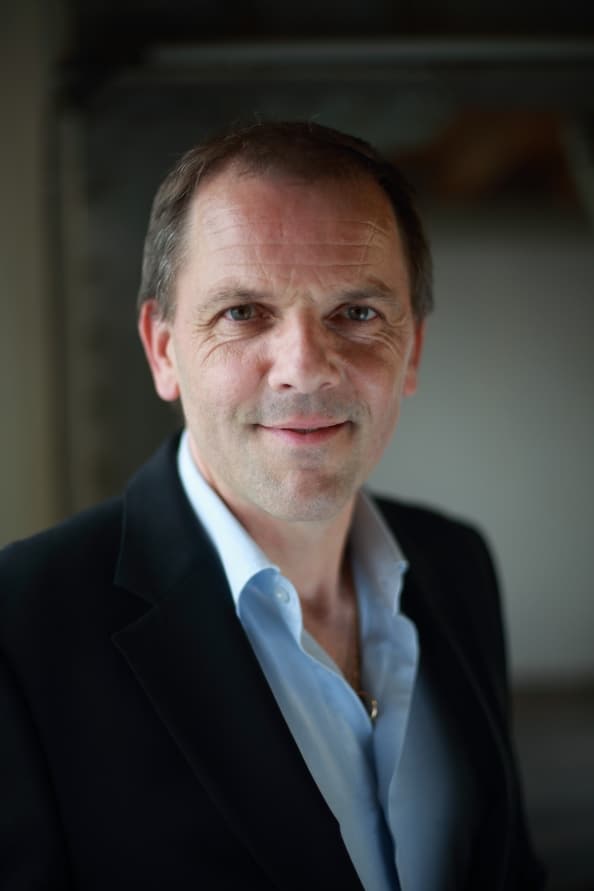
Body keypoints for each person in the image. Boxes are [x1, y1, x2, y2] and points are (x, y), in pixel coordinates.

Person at [0, 121, 544, 890]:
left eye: (356, 313)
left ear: (413, 349)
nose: (304, 367)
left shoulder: (458, 563)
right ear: (163, 349)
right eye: (243, 312)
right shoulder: (21, 628)